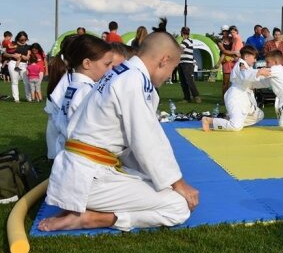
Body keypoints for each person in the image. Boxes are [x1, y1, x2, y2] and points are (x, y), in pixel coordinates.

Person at [38, 32, 199, 232]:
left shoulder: (121, 73)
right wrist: (178, 183)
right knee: (178, 205)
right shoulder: (132, 81)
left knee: (161, 187)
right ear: (164, 60)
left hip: (79, 173)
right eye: (172, 68)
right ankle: (97, 218)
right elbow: (147, 140)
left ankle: (83, 207)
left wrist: (164, 181)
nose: (169, 76)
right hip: (90, 179)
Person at [51, 35, 115, 147]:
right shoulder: (87, 91)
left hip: (67, 149)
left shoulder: (74, 86)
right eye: (107, 64)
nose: (111, 69)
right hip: (81, 152)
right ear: (87, 63)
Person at [202, 46, 265, 132]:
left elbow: (254, 81)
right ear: (246, 57)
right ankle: (209, 121)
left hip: (245, 99)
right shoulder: (241, 65)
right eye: (254, 58)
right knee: (236, 127)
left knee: (259, 115)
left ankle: (228, 121)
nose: (255, 60)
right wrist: (259, 72)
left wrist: (267, 78)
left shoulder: (249, 68)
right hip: (236, 98)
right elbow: (246, 75)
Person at [178, 27, 201, 104]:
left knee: (189, 81)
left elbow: (180, 49)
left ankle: (196, 96)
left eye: (185, 33)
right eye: (185, 33)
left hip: (187, 64)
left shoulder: (187, 41)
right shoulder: (184, 41)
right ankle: (187, 98)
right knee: (183, 82)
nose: (184, 34)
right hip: (182, 63)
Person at [6, 31, 31, 102]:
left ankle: (29, 98)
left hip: (23, 64)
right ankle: (16, 99)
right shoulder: (13, 44)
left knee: (26, 82)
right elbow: (5, 54)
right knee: (14, 81)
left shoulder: (28, 47)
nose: (23, 41)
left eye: (25, 39)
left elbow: (28, 58)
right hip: (13, 63)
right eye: (22, 40)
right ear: (18, 38)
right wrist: (13, 55)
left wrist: (21, 56)